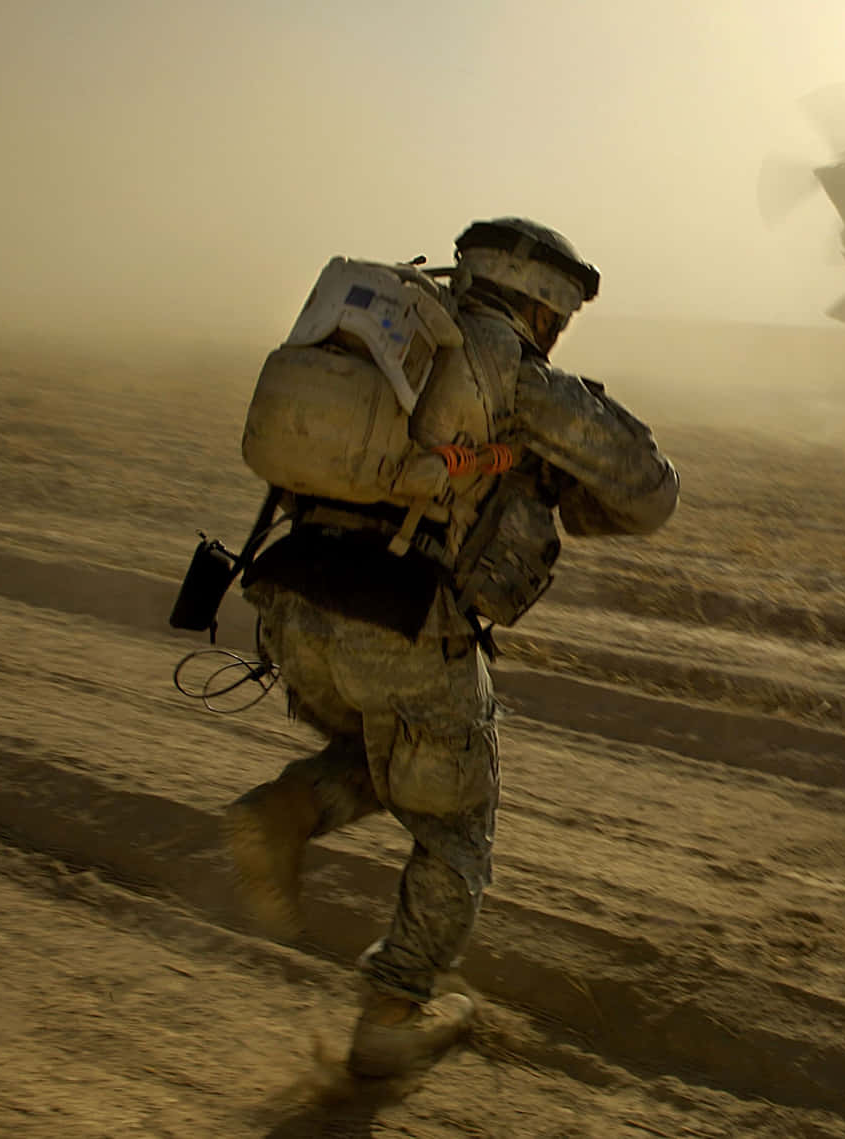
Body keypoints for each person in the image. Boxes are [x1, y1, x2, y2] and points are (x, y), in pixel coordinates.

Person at [222, 217, 679, 1078]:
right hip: (398, 621)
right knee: (458, 827)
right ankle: (395, 1009)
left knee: (384, 749)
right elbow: (651, 495)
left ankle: (287, 809)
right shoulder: (513, 373)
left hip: (289, 601)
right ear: (544, 305)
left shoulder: (391, 342)